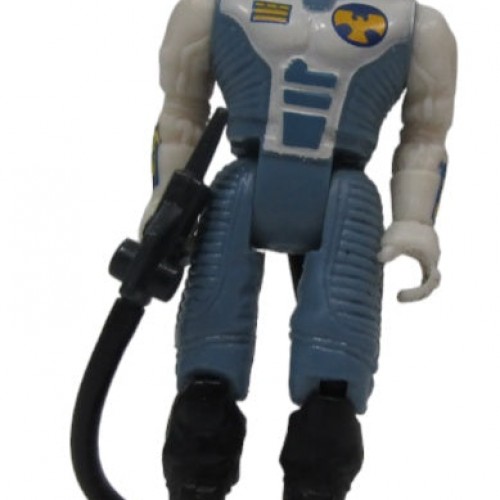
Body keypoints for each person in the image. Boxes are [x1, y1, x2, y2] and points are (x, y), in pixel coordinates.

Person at [140, 1, 457, 498]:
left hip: (344, 199)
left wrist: (415, 220)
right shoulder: (212, 9)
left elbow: (425, 134)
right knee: (207, 367)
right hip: (240, 191)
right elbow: (181, 112)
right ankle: (196, 475)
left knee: (333, 383)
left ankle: (316, 481)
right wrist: (167, 205)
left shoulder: (415, 26)